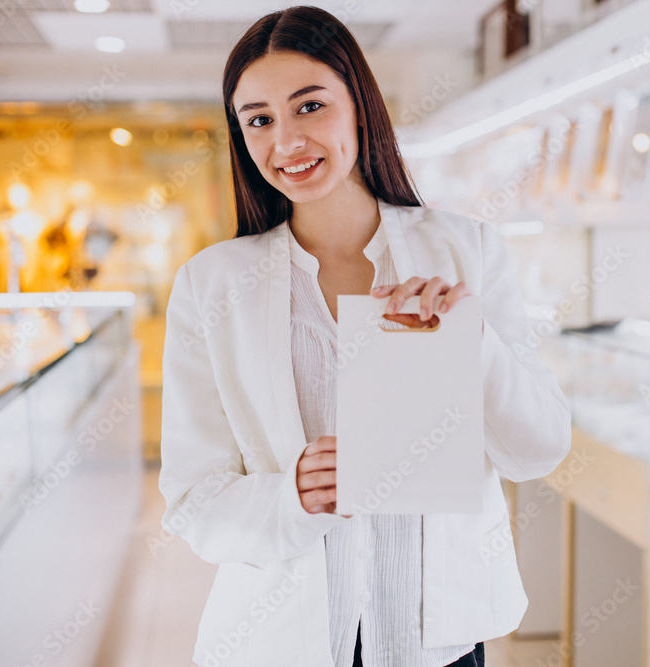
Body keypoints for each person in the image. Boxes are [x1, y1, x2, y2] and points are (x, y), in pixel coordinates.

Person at [157, 7, 572, 667]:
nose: (286, 140)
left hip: (436, 643)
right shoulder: (211, 285)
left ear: (360, 104)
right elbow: (192, 497)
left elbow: (539, 448)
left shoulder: (465, 250)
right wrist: (292, 491)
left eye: (310, 105)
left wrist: (471, 339)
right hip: (275, 643)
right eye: (259, 119)